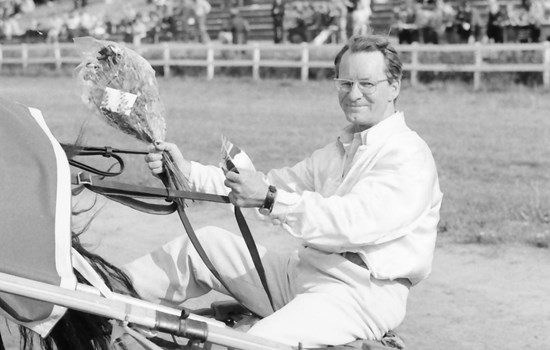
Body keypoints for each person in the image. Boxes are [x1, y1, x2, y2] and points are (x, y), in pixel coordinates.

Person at [124, 34, 443, 348]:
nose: (353, 94)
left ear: (394, 87)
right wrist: (186, 171)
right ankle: (94, 298)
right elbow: (267, 184)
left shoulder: (407, 155)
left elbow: (352, 223)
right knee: (201, 246)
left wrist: (270, 198)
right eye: (345, 84)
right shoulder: (337, 151)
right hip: (302, 274)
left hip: (359, 296)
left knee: (254, 344)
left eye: (367, 84)